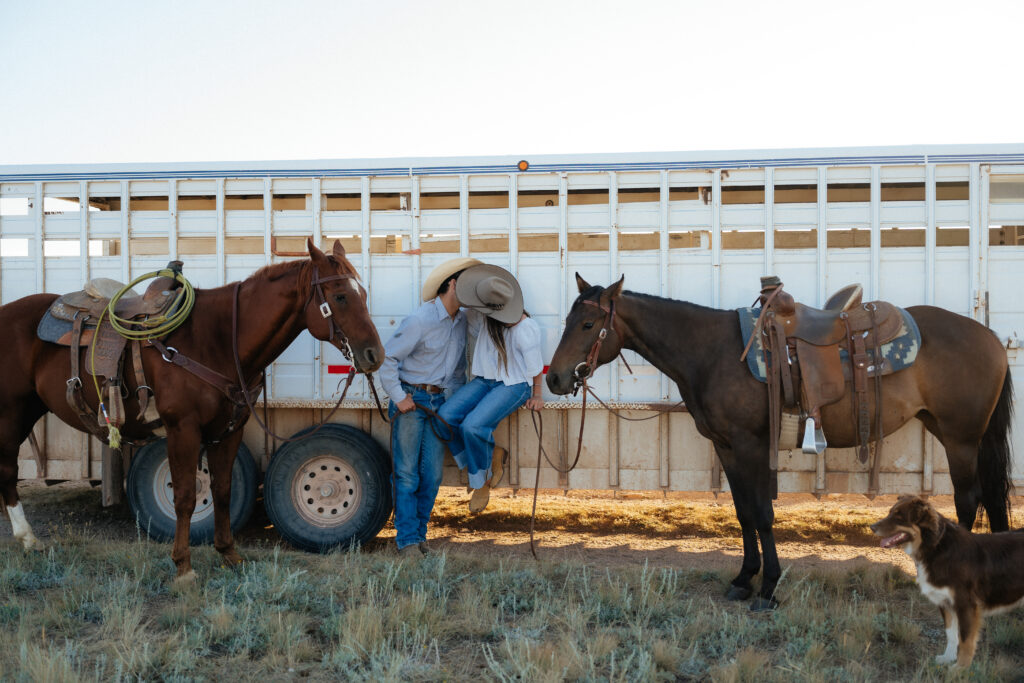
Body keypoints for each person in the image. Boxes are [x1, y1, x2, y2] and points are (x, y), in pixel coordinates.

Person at [378, 256, 481, 557]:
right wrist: (399, 397)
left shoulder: (462, 321)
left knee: (433, 475)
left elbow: (458, 370)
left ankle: (419, 535)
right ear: (452, 283)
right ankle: (407, 540)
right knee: (407, 472)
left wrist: (456, 402)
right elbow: (388, 359)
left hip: (440, 403)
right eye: (468, 284)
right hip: (412, 400)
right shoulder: (421, 320)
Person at [438, 264, 544, 513]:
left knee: (473, 426)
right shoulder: (483, 316)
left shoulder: (524, 328)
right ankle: (490, 455)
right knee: (444, 417)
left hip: (515, 384)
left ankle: (481, 480)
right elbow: (463, 302)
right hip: (485, 380)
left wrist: (538, 394)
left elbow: (535, 368)